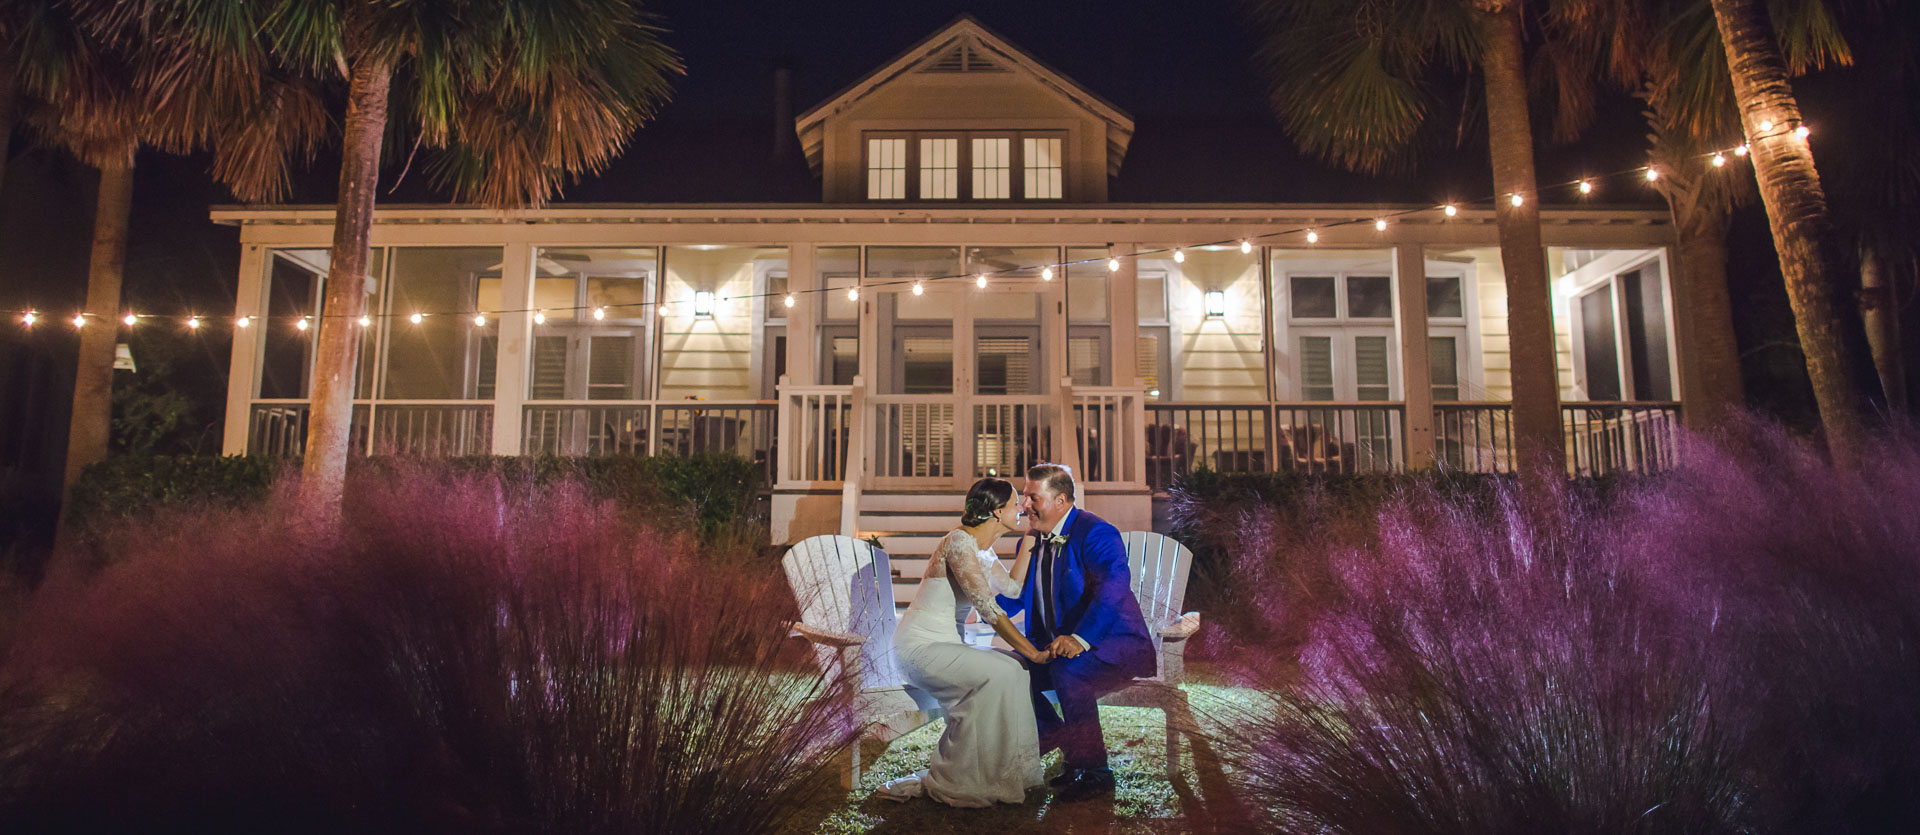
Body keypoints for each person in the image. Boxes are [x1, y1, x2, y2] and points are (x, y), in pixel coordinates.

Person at [879, 477, 1052, 806]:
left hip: (948, 647)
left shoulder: (982, 551)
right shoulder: (959, 543)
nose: (1023, 509)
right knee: (1006, 670)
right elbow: (989, 608)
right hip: (919, 648)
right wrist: (1032, 651)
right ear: (998, 512)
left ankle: (999, 775)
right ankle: (954, 777)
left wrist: (1030, 541)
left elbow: (1013, 589)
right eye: (1017, 504)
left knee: (1015, 671)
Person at [999, 463, 1154, 802]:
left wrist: (1080, 639)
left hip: (1113, 648)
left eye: (1032, 497)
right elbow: (1014, 600)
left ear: (1061, 500)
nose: (1025, 505)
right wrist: (977, 603)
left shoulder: (1096, 532)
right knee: (1005, 670)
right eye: (1024, 496)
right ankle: (1054, 732)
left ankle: (1096, 771)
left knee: (1069, 670)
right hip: (1054, 649)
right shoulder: (1032, 541)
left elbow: (1113, 588)